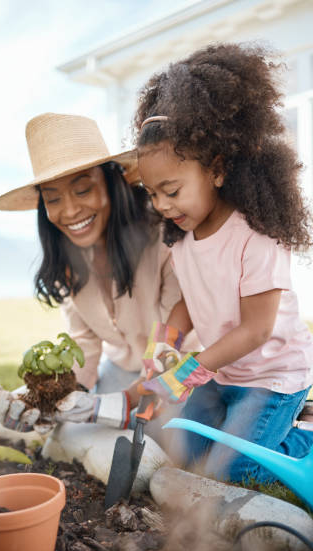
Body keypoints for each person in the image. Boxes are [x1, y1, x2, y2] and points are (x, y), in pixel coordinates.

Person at [134, 42, 313, 483]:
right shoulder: (183, 236)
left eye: (171, 191)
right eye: (152, 193)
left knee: (234, 472)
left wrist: (188, 372)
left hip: (272, 377)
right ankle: (252, 435)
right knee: (184, 452)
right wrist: (164, 348)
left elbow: (256, 330)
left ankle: (302, 437)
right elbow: (189, 306)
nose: (161, 205)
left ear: (216, 169)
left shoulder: (255, 235)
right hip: (224, 372)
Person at [0, 112, 196, 432]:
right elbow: (83, 344)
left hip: (184, 370)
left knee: (169, 437)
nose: (69, 211)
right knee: (65, 432)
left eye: (83, 190)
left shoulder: (164, 237)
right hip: (121, 372)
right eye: (53, 198)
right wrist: (43, 402)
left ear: (113, 185)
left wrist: (125, 401)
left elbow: (175, 339)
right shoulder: (68, 262)